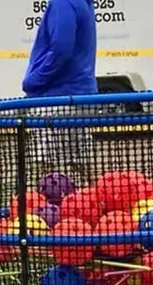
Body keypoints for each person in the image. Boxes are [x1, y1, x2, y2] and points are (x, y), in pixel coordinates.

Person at [22, 0, 98, 181]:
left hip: (55, 97)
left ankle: (48, 200)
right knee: (80, 164)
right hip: (78, 94)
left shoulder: (63, 2)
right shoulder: (81, 3)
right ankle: (90, 196)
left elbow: (61, 49)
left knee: (46, 168)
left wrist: (34, 80)